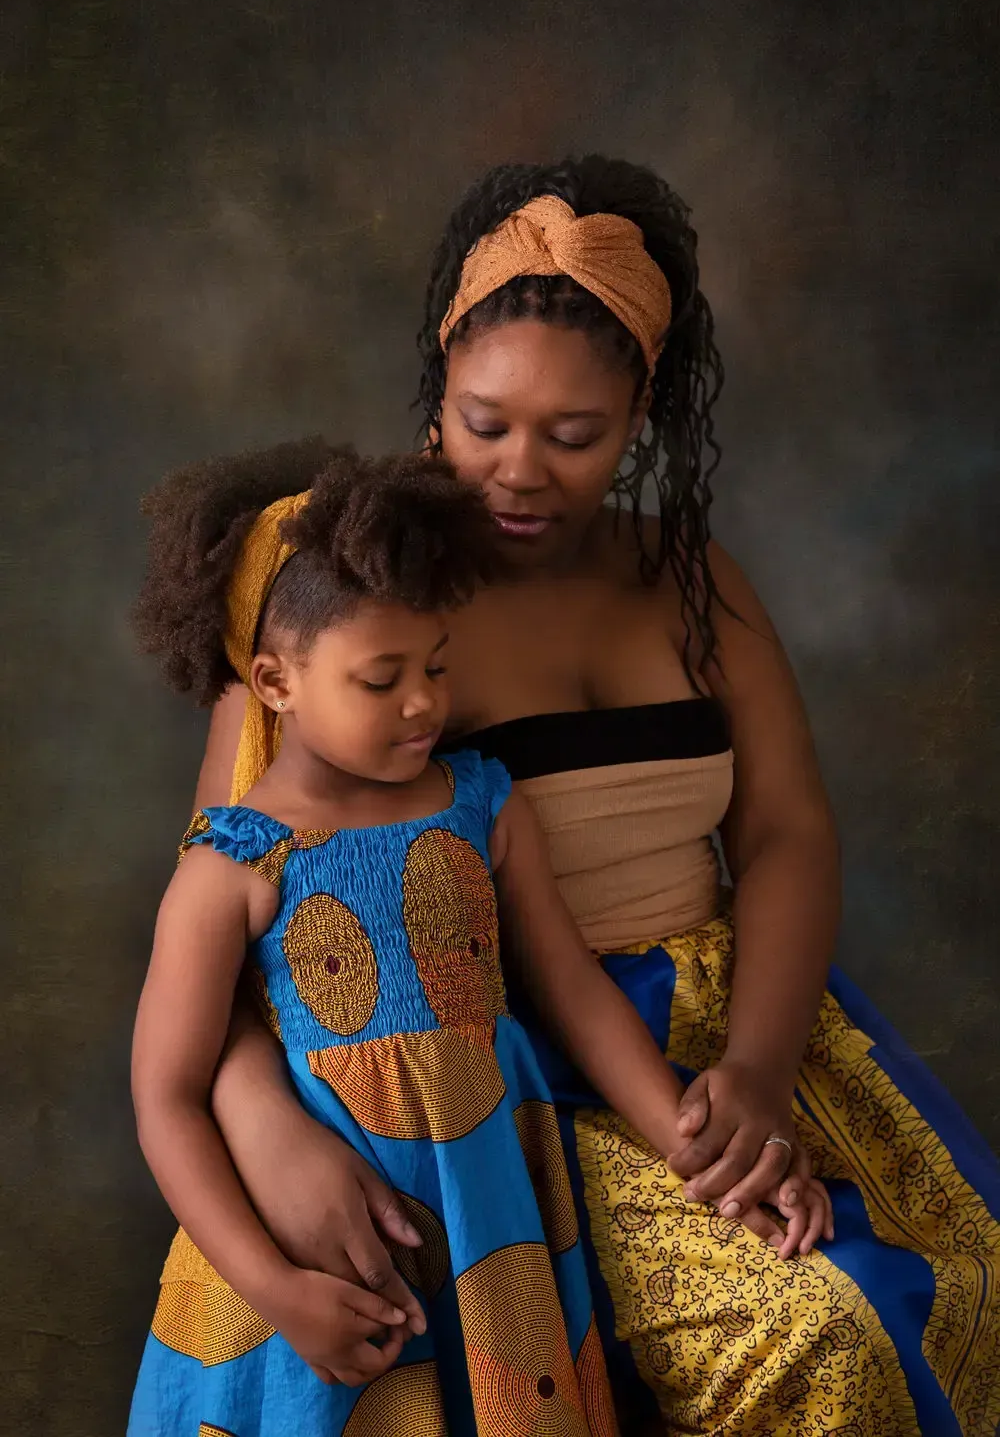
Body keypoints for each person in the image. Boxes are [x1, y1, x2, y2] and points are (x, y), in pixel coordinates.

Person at [193, 161, 1000, 1435]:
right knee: (817, 1338)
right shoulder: (349, 593)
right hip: (497, 1066)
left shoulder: (692, 581)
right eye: (482, 422)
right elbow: (224, 916)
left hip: (721, 1037)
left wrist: (757, 1065)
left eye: (576, 439)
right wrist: (261, 1127)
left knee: (971, 1286)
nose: (519, 471)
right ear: (437, 384)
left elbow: (785, 832)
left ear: (641, 421)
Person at [127, 445, 829, 1436]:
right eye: (382, 680)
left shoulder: (482, 803)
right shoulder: (228, 870)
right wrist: (276, 1288)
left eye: (438, 665)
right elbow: (166, 1098)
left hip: (488, 1226)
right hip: (305, 1260)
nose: (424, 703)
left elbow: (575, 994)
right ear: (275, 682)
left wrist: (707, 1162)